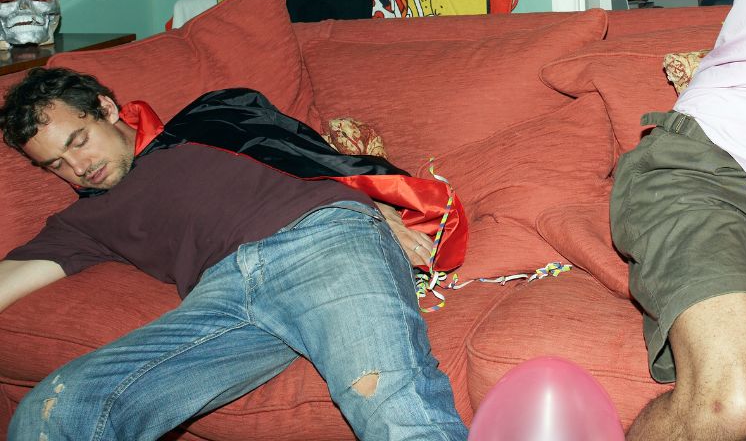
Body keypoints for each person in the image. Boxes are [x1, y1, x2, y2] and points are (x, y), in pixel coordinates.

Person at [0, 68, 467, 441]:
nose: (79, 168)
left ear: (105, 108)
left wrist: (378, 207)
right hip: (219, 300)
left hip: (319, 240)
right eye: (56, 165)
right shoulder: (82, 221)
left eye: (78, 142)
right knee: (59, 408)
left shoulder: (211, 117)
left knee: (391, 404)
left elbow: (315, 157)